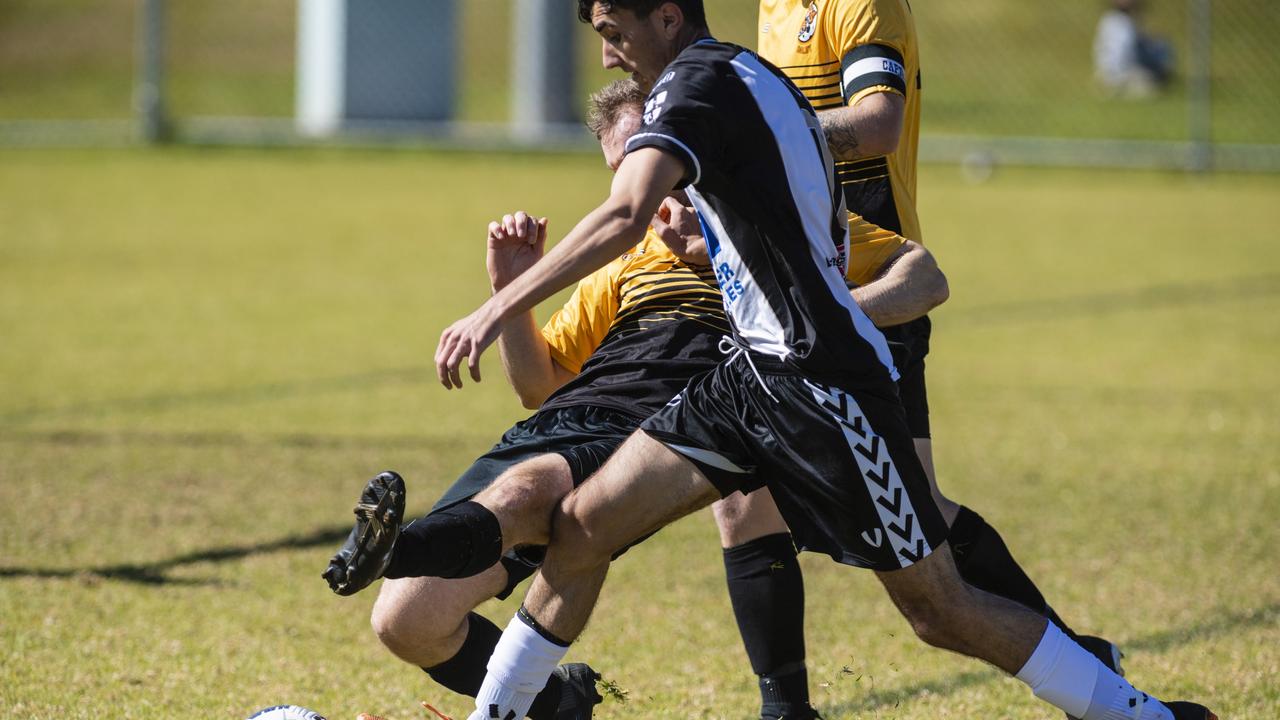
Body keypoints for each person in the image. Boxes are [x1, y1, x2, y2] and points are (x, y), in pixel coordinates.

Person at [427, 3, 1217, 720]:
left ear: (668, 18)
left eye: (612, 31)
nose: (607, 55)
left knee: (940, 610)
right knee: (582, 526)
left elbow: (626, 213)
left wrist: (496, 308)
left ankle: (1141, 716)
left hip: (823, 384)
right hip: (746, 380)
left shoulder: (693, 86)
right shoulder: (741, 69)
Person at [323, 78, 948, 720]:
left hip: (662, 431)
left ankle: (400, 545)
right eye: (622, 177)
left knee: (539, 491)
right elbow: (540, 387)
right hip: (569, 421)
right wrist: (514, 294)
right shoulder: (629, 261)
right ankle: (557, 702)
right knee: (407, 620)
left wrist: (816, 321)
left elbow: (924, 277)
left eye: (652, 173)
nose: (642, 198)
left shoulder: (782, 230)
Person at [729, 2, 1129, 715]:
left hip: (873, 293)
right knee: (743, 499)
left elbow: (879, 122)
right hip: (789, 289)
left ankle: (1083, 668)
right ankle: (784, 708)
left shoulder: (862, 4)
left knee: (925, 529)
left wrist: (761, 134)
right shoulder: (774, 5)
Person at [1094, 0, 1175, 98]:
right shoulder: (1123, 22)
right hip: (1122, 72)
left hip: (1108, 71)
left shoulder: (1109, 19)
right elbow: (1127, 52)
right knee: (1160, 48)